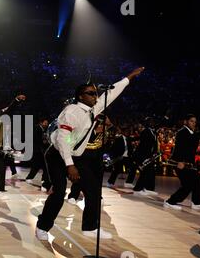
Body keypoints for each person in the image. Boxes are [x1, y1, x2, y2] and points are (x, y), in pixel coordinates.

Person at [35, 67, 145, 241]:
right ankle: (42, 226)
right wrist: (70, 165)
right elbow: (63, 140)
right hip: (57, 155)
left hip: (75, 156)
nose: (95, 96)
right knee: (59, 193)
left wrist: (129, 77)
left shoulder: (94, 109)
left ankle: (90, 227)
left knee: (93, 190)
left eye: (95, 93)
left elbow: (112, 93)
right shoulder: (71, 111)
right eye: (91, 93)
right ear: (81, 96)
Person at [164, 114, 200, 211]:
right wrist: (180, 161)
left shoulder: (192, 133)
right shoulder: (182, 132)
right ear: (186, 122)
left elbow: (196, 137)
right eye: (191, 121)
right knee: (188, 185)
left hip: (189, 164)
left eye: (195, 122)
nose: (193, 123)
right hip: (180, 162)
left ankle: (196, 202)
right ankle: (170, 202)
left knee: (198, 178)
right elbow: (179, 148)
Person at [133, 117, 159, 196]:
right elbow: (143, 146)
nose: (152, 123)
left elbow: (154, 144)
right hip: (143, 155)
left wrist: (155, 153)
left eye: (153, 121)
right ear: (147, 123)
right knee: (145, 172)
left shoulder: (153, 132)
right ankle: (137, 189)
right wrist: (145, 157)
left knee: (151, 171)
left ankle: (149, 188)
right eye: (150, 122)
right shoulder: (146, 131)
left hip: (149, 155)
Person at [25, 117, 51, 192]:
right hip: (37, 150)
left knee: (44, 167)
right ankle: (29, 177)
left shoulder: (45, 130)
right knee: (36, 166)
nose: (46, 124)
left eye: (47, 123)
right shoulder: (36, 129)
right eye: (45, 123)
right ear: (41, 123)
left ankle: (44, 180)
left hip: (42, 151)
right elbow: (36, 140)